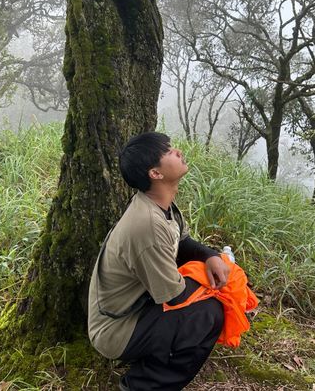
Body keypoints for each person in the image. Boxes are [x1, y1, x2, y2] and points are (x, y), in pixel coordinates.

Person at [88, 132, 230, 391]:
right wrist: (223, 288)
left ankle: (154, 354)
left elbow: (183, 243)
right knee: (208, 314)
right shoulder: (148, 225)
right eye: (168, 152)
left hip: (135, 307)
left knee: (209, 295)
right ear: (155, 173)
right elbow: (174, 297)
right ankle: (141, 385)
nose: (177, 151)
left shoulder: (161, 205)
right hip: (115, 330)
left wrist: (210, 256)